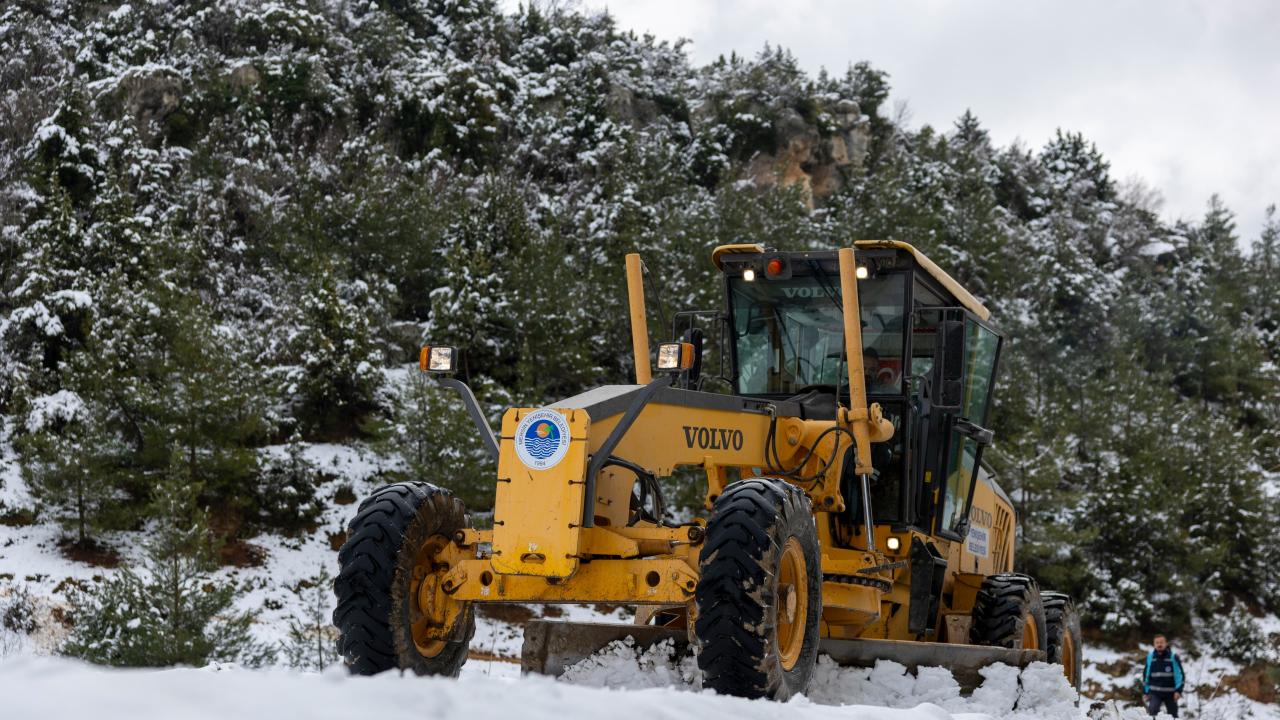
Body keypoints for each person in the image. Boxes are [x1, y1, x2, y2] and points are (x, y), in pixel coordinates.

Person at [1142, 634, 1185, 717]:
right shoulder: (1150, 657)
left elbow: (1179, 675)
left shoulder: (1173, 657)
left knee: (1173, 716)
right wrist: (1145, 692)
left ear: (1166, 643)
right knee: (1152, 714)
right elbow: (1146, 675)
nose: (1159, 644)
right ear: (1154, 644)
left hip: (1171, 693)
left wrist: (1178, 691)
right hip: (1155, 693)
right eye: (1157, 643)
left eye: (1161, 642)